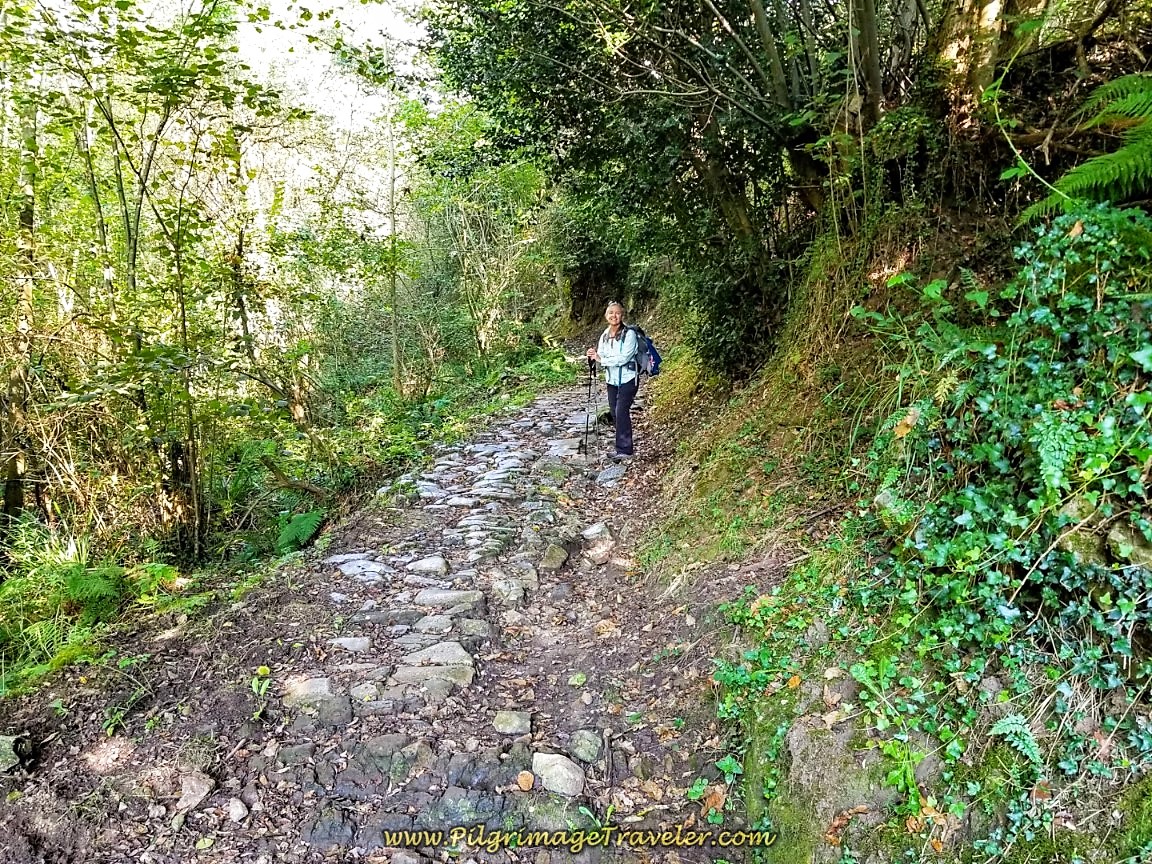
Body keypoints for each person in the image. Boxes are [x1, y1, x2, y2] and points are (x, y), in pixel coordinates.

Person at [586, 301, 638, 460]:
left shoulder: (629, 334)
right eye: (611, 313)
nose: (614, 316)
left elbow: (624, 358)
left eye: (617, 313)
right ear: (606, 315)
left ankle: (625, 450)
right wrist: (593, 355)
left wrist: (601, 359)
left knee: (621, 411)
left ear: (622, 315)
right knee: (615, 413)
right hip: (612, 380)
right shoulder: (605, 335)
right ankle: (620, 448)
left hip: (628, 379)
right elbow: (601, 354)